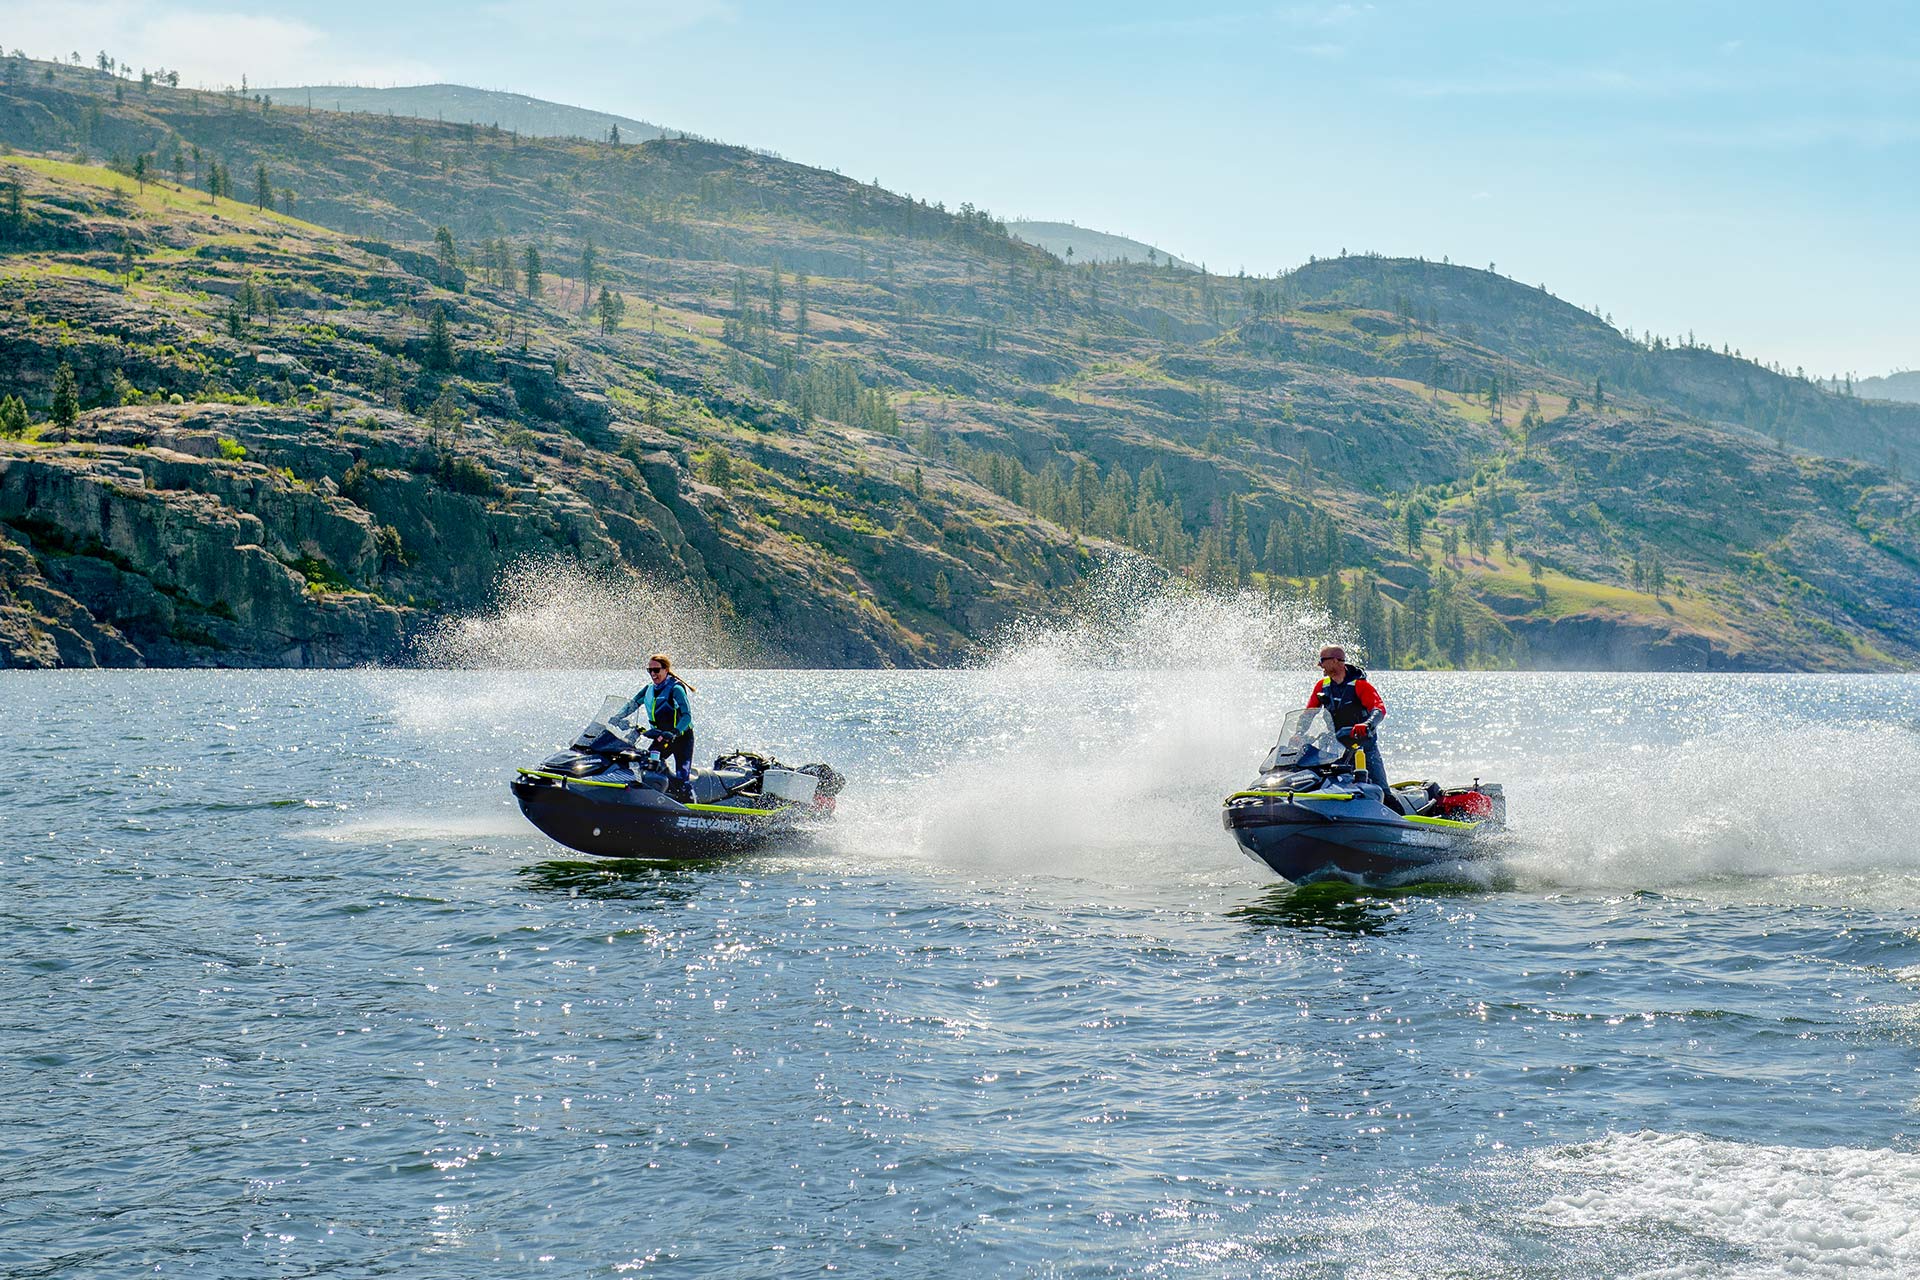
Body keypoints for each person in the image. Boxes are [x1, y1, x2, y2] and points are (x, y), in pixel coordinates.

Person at [1306, 644, 1391, 798]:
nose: (1320, 665)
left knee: (1383, 791)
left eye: (1322, 660)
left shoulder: (1360, 686)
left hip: (1363, 749)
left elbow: (1379, 709)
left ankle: (1396, 812)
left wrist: (1367, 724)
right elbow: (1308, 714)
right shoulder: (1322, 686)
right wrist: (1299, 733)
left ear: (1335, 661)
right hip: (1335, 748)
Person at [616, 653, 696, 799]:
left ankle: (689, 800)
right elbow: (631, 705)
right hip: (662, 738)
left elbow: (687, 716)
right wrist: (617, 717)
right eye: (649, 670)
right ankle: (654, 796)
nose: (653, 674)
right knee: (646, 766)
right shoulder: (648, 690)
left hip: (681, 738)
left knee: (682, 775)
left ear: (666, 670)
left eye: (656, 670)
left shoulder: (676, 689)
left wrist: (675, 732)